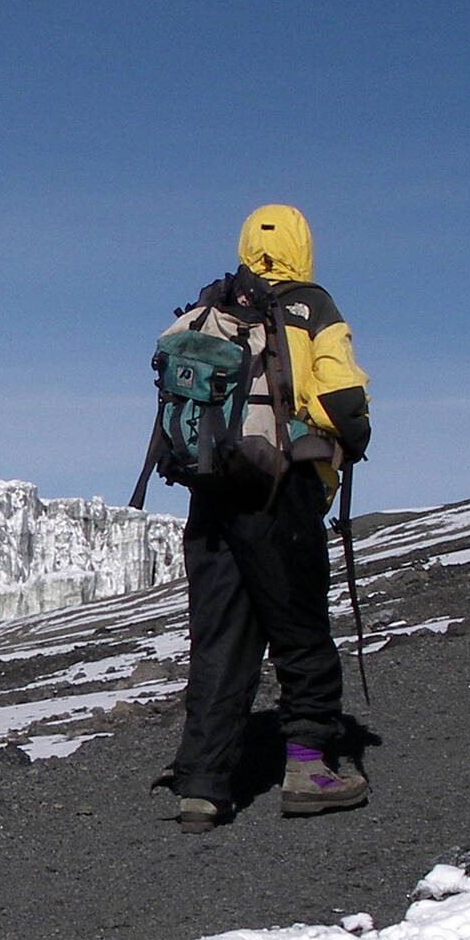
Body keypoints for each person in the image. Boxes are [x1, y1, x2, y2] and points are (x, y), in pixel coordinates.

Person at [164, 206, 372, 831]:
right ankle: (310, 767)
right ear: (303, 245)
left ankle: (202, 786)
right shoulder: (311, 308)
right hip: (279, 494)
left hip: (211, 496)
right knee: (299, 626)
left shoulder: (207, 311)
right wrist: (350, 438)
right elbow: (340, 399)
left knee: (220, 639)